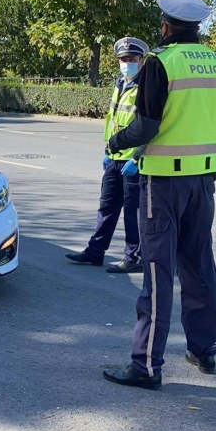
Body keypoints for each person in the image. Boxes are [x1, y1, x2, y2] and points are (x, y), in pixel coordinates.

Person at [101, 0, 216, 389]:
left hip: (161, 183)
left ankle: (146, 366)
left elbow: (146, 125)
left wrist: (116, 143)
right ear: (196, 27)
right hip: (203, 182)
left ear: (164, 25)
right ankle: (203, 350)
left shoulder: (160, 63)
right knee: (199, 266)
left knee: (157, 271)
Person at [65, 37, 149, 273]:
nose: (127, 63)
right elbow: (113, 121)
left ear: (142, 61)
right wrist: (107, 150)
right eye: (123, 59)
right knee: (107, 206)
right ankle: (96, 251)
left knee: (133, 212)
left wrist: (136, 158)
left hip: (133, 160)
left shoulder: (146, 86)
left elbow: (148, 125)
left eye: (132, 59)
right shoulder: (121, 81)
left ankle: (133, 257)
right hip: (114, 155)